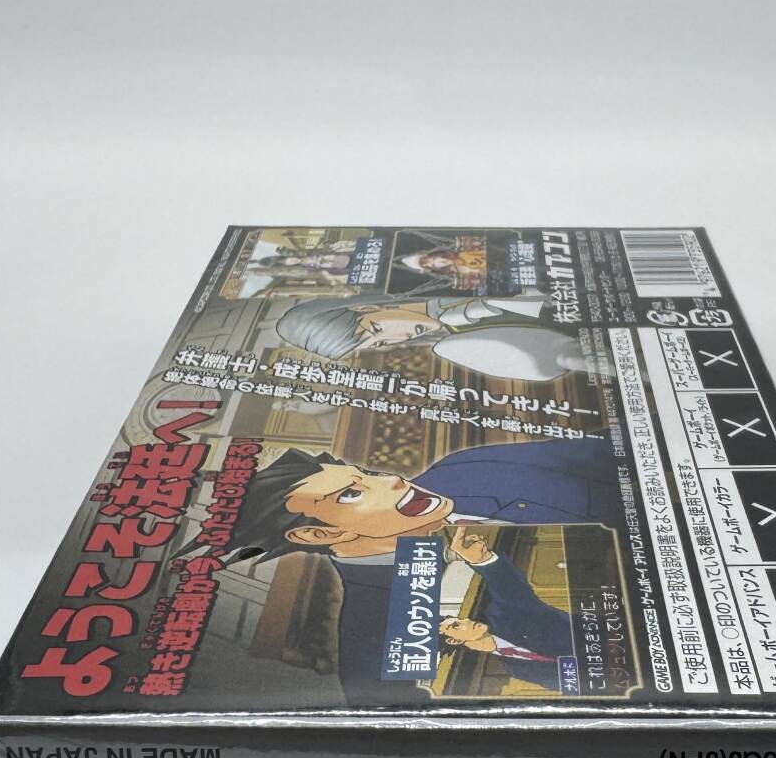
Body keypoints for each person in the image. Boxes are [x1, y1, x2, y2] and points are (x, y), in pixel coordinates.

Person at [221, 436, 621, 703]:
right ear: (316, 534)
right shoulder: (371, 646)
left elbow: (619, 449)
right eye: (352, 494)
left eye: (369, 475)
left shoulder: (469, 466)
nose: (394, 481)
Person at [274, 294, 588, 382]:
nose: (399, 337)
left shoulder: (440, 287)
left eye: (378, 330)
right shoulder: (454, 342)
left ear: (366, 308)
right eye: (380, 344)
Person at [438, 529, 574, 692]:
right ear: (453, 641)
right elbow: (572, 686)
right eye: (456, 626)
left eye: (458, 620)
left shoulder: (506, 617)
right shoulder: (516, 670)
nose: (466, 620)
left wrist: (483, 560)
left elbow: (511, 591)